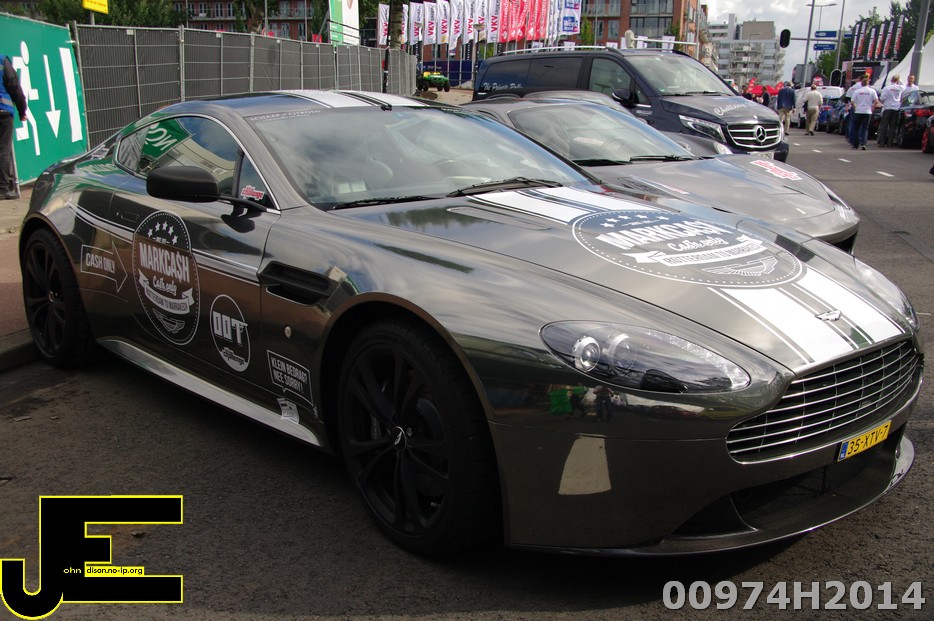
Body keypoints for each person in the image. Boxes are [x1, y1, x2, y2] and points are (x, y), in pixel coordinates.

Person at [1, 52, 28, 200]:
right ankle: (3, 189)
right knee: (3, 150)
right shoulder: (2, 60)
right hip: (3, 112)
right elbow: (14, 87)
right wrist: (22, 110)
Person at [849, 74, 879, 150]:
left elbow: (852, 101)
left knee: (856, 128)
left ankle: (855, 144)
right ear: (868, 83)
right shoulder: (872, 91)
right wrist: (872, 108)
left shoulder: (857, 91)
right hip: (867, 111)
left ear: (861, 84)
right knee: (865, 128)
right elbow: (876, 101)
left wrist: (855, 108)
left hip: (858, 111)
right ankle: (864, 143)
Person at [876, 74, 904, 147]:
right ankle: (890, 143)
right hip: (896, 108)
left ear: (891, 80)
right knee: (893, 126)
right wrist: (899, 80)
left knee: (884, 126)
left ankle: (882, 143)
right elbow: (904, 85)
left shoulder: (887, 88)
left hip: (887, 108)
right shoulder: (900, 87)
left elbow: (882, 98)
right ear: (898, 80)